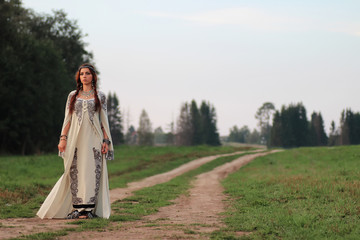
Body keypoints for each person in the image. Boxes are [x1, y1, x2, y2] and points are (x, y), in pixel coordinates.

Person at [37, 63, 114, 219]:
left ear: (93, 76)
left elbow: (104, 120)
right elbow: (68, 119)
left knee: (92, 172)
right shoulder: (73, 95)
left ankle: (89, 210)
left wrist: (106, 140)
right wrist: (63, 138)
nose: (84, 76)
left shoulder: (100, 96)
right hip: (75, 139)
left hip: (94, 138)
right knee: (74, 171)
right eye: (81, 74)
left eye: (87, 73)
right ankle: (77, 208)